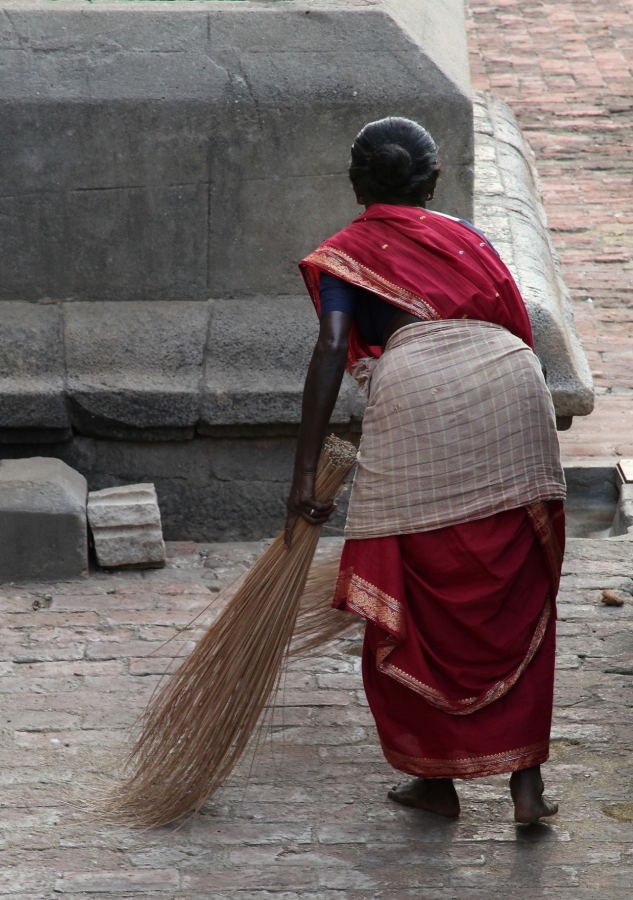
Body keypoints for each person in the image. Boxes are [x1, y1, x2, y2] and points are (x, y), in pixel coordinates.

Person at [284, 117, 566, 823]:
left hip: (415, 393)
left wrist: (304, 472)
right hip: (511, 385)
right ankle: (525, 787)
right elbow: (516, 322)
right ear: (434, 182)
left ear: (357, 186)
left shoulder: (349, 252)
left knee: (413, 577)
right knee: (516, 587)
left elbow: (331, 349)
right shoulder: (468, 238)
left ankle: (435, 780)